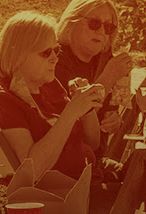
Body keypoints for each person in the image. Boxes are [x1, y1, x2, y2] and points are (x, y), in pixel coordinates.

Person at [0, 11, 106, 214]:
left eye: (56, 50)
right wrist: (71, 113)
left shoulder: (47, 84)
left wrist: (86, 108)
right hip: (48, 200)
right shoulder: (1, 99)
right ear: (18, 54)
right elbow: (32, 171)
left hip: (76, 186)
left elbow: (93, 143)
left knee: (145, 181)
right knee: (143, 197)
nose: (55, 58)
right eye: (46, 53)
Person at [55, 0, 133, 136]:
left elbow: (109, 112)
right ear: (72, 22)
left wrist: (114, 120)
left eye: (108, 27)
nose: (102, 31)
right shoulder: (55, 60)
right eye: (94, 24)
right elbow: (73, 127)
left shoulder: (105, 60)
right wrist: (109, 76)